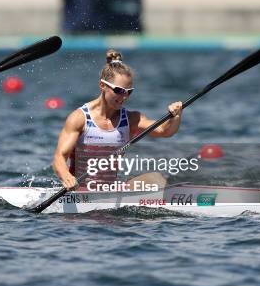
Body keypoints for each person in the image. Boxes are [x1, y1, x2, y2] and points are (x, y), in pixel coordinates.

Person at [52, 49, 183, 190]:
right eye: (119, 91)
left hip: (110, 190)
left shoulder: (131, 119)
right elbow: (59, 157)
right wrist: (67, 177)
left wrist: (176, 115)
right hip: (80, 191)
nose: (124, 97)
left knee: (156, 179)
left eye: (129, 92)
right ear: (102, 85)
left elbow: (165, 131)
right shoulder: (79, 118)